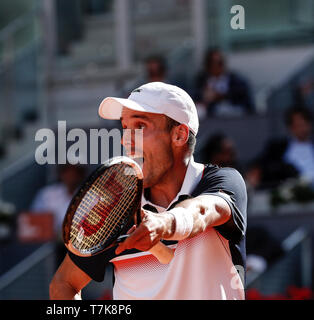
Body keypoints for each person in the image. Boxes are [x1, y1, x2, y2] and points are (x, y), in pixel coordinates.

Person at [49, 82, 247, 300]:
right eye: (125, 128)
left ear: (179, 135)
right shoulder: (114, 210)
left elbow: (201, 211)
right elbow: (64, 283)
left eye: (140, 127)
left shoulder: (222, 181)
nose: (126, 140)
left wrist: (162, 224)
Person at [248, 106, 313, 189]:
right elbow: (260, 162)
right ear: (290, 128)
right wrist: (256, 170)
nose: (302, 129)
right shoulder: (278, 147)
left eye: (304, 124)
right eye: (297, 125)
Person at [194, 48, 254, 118]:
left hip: (233, 114)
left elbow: (242, 97)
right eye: (212, 63)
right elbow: (197, 98)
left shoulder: (235, 80)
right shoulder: (202, 81)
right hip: (210, 117)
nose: (216, 67)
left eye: (220, 63)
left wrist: (219, 96)